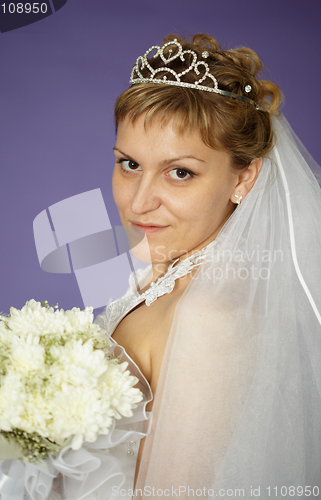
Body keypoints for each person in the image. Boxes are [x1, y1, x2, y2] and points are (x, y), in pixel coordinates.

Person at [102, 34, 321, 499]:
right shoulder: (168, 282)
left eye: (180, 172)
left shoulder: (210, 316)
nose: (139, 202)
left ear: (243, 178)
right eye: (129, 164)